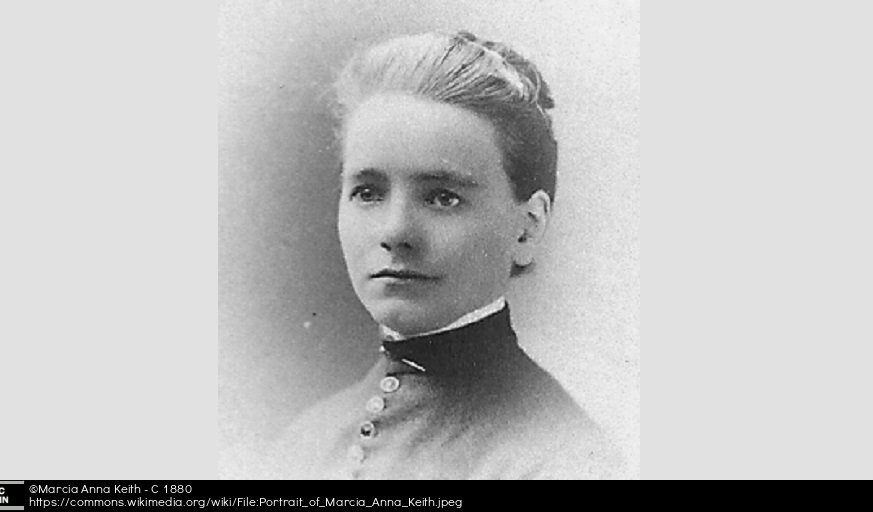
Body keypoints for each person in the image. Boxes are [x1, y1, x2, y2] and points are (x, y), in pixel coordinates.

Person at [268, 30, 626, 479]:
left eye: (442, 197)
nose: (396, 231)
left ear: (528, 226)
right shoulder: (306, 440)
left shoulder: (561, 457)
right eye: (368, 192)